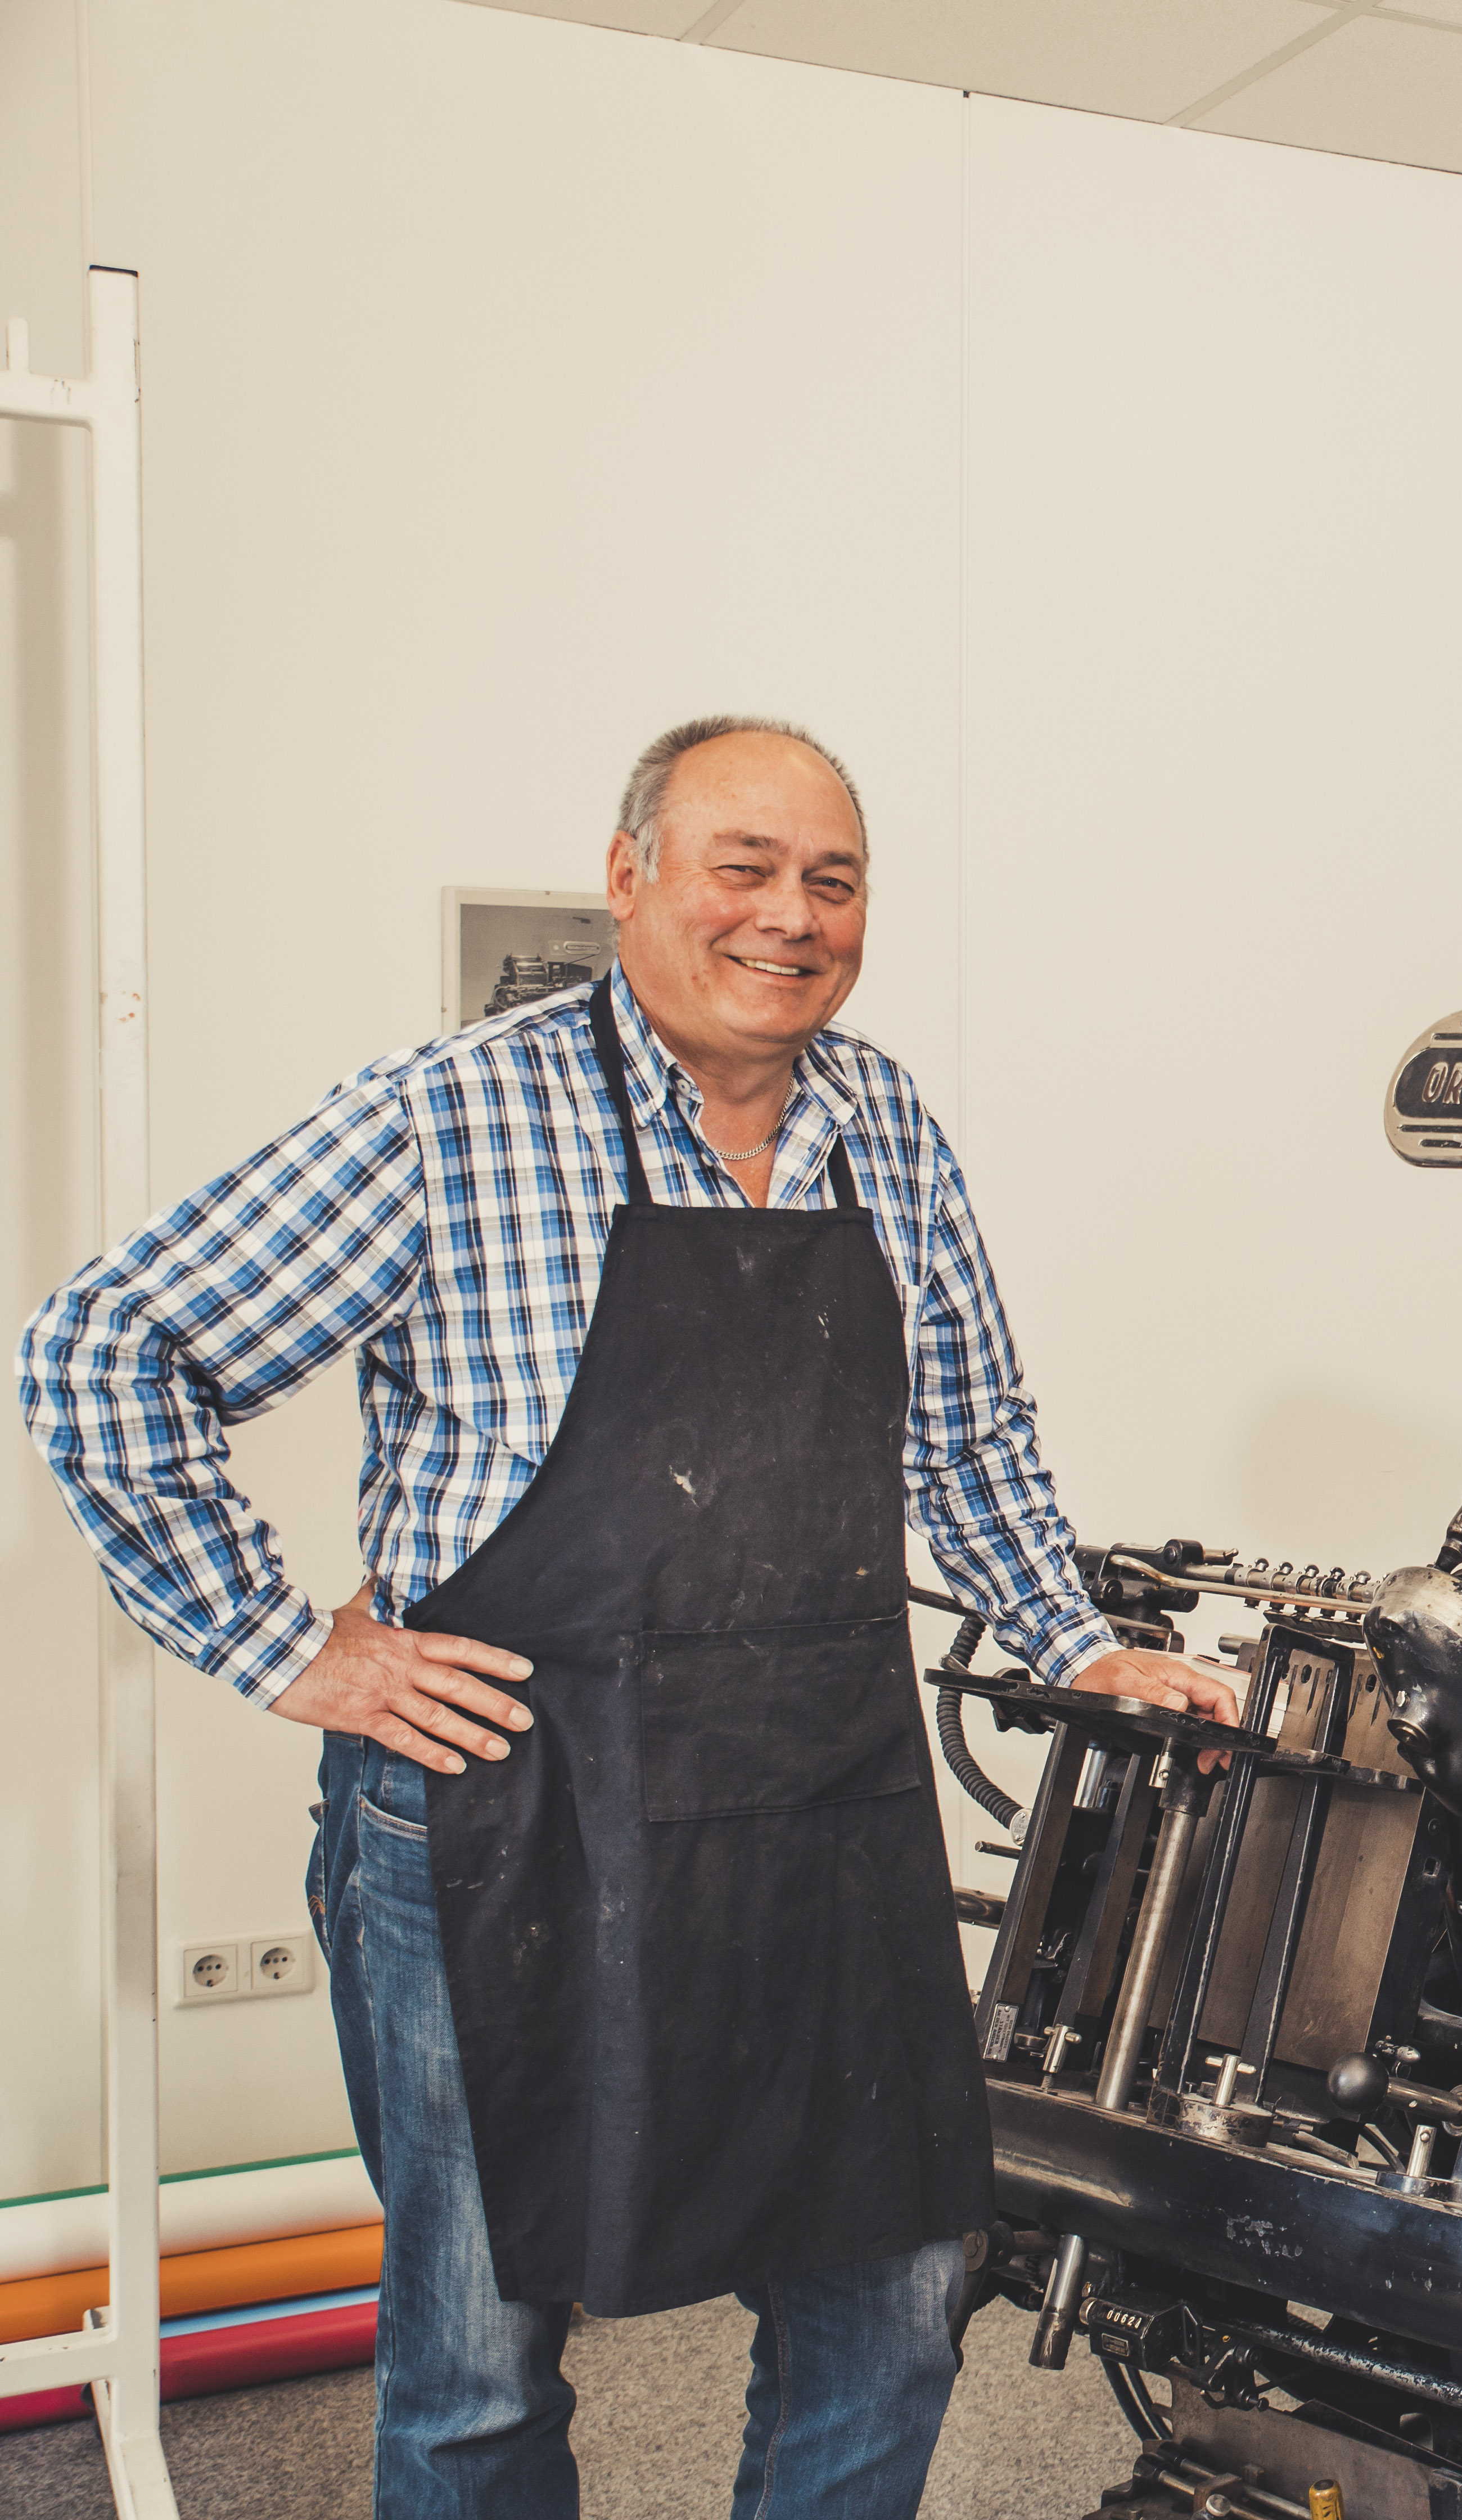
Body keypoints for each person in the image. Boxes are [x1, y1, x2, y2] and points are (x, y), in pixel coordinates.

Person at [19, 717, 1244, 2520]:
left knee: (896, 2289)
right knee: (483, 2352)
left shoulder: (883, 1123)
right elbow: (105, 1349)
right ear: (632, 879)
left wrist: (1066, 1637)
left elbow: (971, 1434)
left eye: (833, 881)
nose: (789, 918)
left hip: (820, 1807)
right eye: (742, 867)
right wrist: (286, 1646)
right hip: (512, 1816)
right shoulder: (453, 1114)